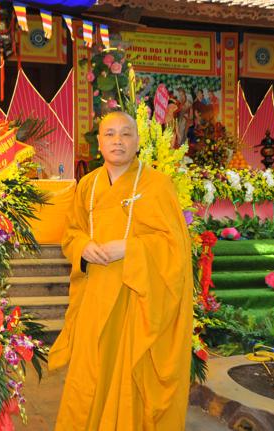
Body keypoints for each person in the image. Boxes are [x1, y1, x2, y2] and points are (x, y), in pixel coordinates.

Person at [49, 111, 193, 430]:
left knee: (128, 378)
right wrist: (82, 246)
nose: (118, 141)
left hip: (136, 299)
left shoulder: (158, 185)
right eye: (110, 134)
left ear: (138, 141)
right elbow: (71, 233)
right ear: (99, 143)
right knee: (89, 376)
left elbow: (175, 246)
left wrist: (129, 248)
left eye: (126, 134)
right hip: (94, 296)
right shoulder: (87, 185)